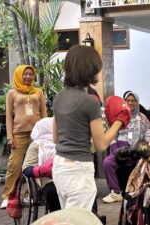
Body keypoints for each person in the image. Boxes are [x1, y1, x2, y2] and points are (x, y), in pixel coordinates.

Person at [52, 45, 131, 212]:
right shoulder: (89, 101)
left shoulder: (58, 97)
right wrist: (119, 120)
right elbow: (101, 144)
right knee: (77, 221)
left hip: (59, 166)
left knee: (68, 219)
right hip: (78, 169)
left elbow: (55, 138)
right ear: (90, 69)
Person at [1, 65, 47, 209]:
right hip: (19, 134)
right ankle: (8, 196)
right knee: (14, 166)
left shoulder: (38, 92)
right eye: (25, 74)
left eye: (30, 74)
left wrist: (46, 133)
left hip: (37, 135)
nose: (28, 77)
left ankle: (29, 195)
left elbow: (44, 113)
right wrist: (10, 136)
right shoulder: (12, 93)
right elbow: (8, 116)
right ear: (19, 75)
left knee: (34, 165)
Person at [102, 91, 150, 203]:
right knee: (107, 163)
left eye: (133, 100)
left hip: (136, 148)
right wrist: (114, 147)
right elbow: (112, 133)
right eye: (127, 100)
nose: (130, 102)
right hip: (120, 147)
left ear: (137, 102)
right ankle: (116, 192)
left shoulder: (143, 118)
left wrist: (144, 144)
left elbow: (148, 132)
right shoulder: (120, 116)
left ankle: (139, 191)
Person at [22, 117, 60, 212]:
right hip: (46, 181)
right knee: (53, 192)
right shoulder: (36, 145)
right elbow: (26, 169)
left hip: (66, 176)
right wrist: (41, 170)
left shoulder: (63, 142)